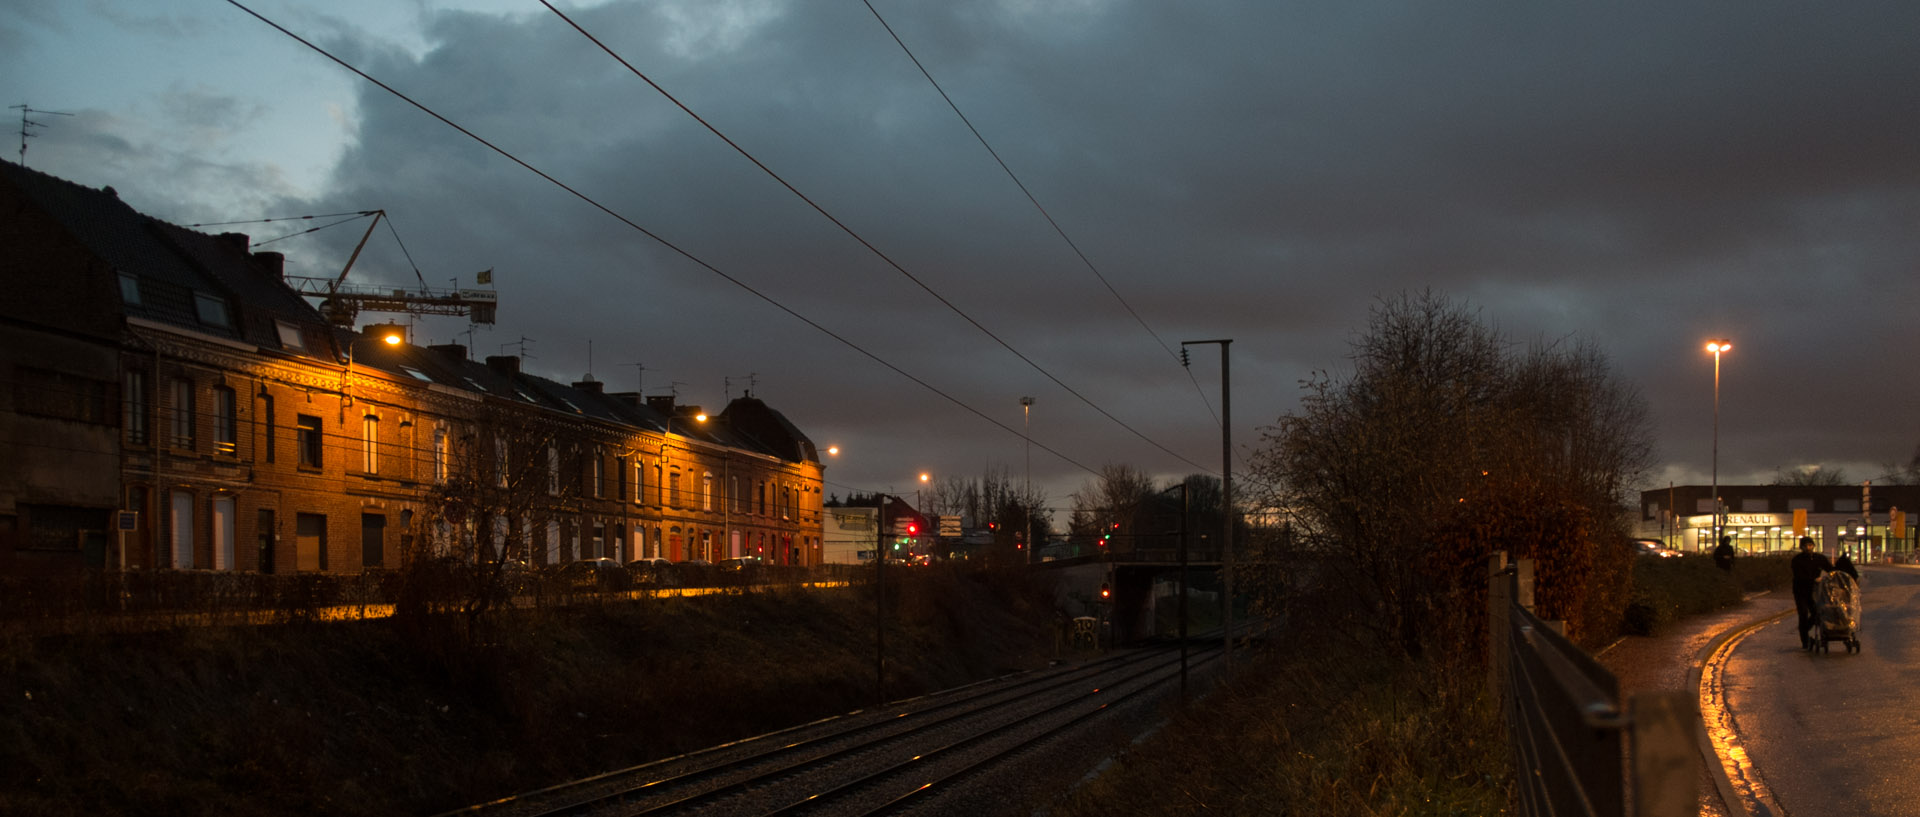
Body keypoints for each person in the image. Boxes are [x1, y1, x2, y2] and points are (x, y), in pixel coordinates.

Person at [1791, 536, 1834, 650]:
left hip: (1814, 591)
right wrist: (1813, 580)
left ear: (1813, 546)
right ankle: (1805, 641)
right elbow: (1798, 575)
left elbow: (1831, 569)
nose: (1808, 548)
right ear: (1802, 547)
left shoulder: (1819, 558)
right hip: (1800, 590)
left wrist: (1836, 576)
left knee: (1816, 613)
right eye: (1806, 546)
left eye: (1810, 545)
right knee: (1803, 613)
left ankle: (1804, 629)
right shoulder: (1797, 560)